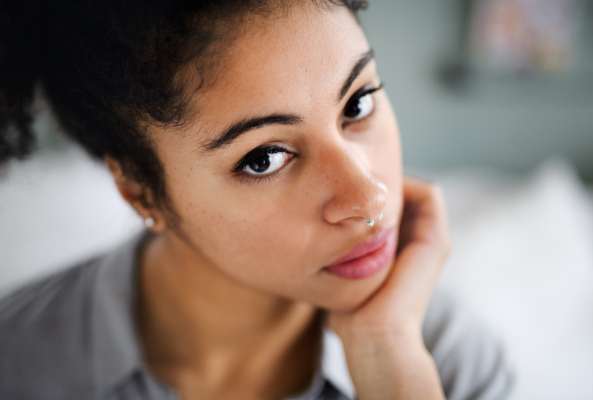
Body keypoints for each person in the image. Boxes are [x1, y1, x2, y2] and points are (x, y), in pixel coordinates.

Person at [0, 1, 512, 399]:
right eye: (264, 158)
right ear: (140, 189)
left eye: (357, 103)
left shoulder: (444, 358)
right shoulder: (18, 363)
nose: (370, 196)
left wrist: (388, 356)